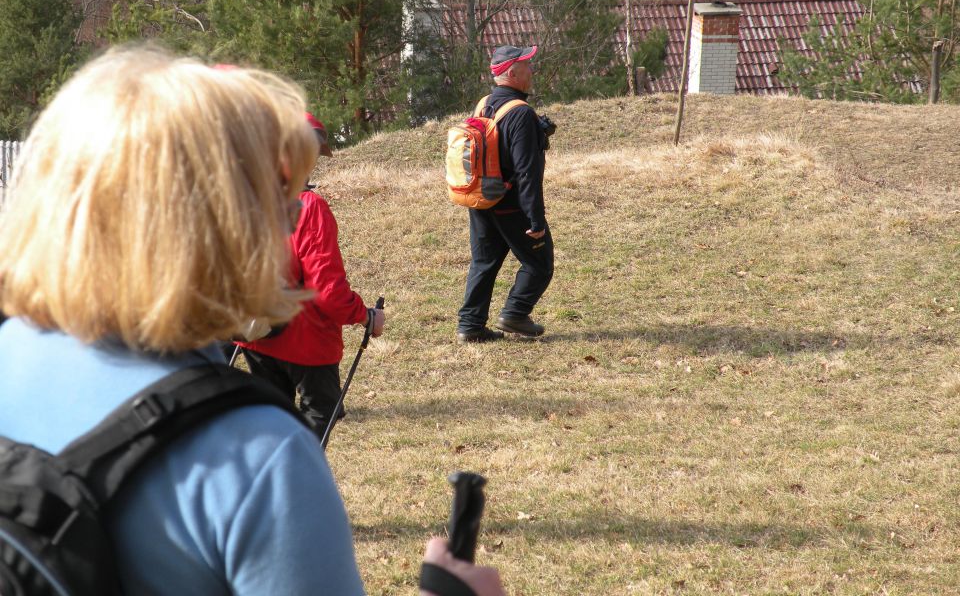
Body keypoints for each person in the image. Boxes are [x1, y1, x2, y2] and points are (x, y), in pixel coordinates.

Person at [0, 45, 504, 596]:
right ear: (217, 230)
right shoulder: (261, 459)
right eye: (277, 202)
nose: (292, 216)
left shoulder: (10, 349)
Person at [235, 111, 385, 440]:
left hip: (254, 332)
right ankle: (296, 480)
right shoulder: (309, 207)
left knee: (272, 422)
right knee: (320, 413)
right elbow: (328, 292)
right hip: (307, 342)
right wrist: (365, 316)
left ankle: (271, 481)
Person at [457, 44, 555, 343]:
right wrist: (535, 220)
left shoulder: (484, 103)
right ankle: (515, 313)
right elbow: (527, 172)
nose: (532, 70)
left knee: (484, 262)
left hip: (481, 198)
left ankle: (470, 327)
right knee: (539, 263)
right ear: (512, 73)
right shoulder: (520, 113)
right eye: (527, 65)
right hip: (510, 205)